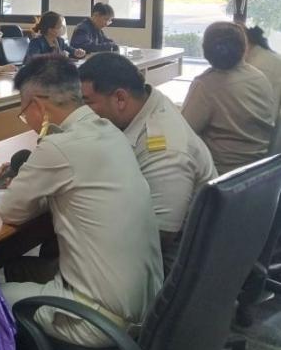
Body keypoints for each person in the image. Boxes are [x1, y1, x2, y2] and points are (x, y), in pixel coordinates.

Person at [0, 55, 163, 347]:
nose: (27, 121)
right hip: (147, 308)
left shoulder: (59, 146)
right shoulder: (110, 131)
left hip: (97, 318)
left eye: (24, 112)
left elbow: (11, 211)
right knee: (16, 268)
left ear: (38, 106)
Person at [79, 52, 216, 252]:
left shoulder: (166, 151)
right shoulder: (150, 103)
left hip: (165, 259)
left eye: (88, 102)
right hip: (139, 233)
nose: (82, 111)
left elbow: (159, 237)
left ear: (120, 98)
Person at [182, 22, 276, 174]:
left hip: (220, 173)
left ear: (205, 50)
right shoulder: (259, 77)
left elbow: (185, 131)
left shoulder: (206, 84)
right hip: (258, 169)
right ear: (244, 48)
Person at [245, 25, 281, 127]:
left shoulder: (253, 66)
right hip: (272, 124)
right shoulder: (274, 58)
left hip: (257, 127)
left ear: (246, 42)